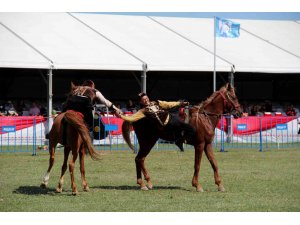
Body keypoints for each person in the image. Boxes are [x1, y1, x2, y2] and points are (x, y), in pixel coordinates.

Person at [115, 92, 195, 151]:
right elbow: (132, 119)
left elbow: (168, 104)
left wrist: (180, 103)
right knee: (187, 130)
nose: (146, 100)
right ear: (141, 102)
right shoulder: (142, 111)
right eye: (144, 100)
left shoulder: (156, 102)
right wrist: (121, 116)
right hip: (165, 126)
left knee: (191, 129)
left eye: (146, 98)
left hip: (172, 119)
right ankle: (179, 141)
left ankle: (179, 141)